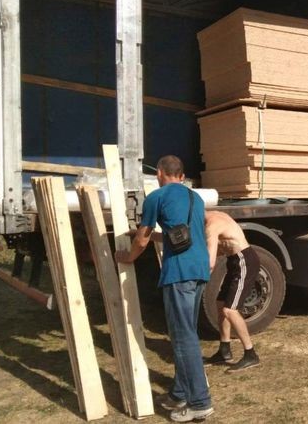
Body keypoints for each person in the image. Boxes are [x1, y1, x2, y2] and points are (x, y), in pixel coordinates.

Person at [115, 155, 213, 423]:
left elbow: (143, 239)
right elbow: (179, 233)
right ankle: (180, 393)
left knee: (182, 338)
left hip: (178, 273)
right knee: (188, 333)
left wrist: (128, 256)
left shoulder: (156, 197)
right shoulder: (196, 198)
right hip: (200, 270)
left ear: (159, 173)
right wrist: (145, 236)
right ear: (181, 175)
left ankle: (200, 402)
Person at [204, 210, 261, 373]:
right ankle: (224, 351)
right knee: (221, 304)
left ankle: (250, 354)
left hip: (244, 262)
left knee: (230, 310)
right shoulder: (214, 215)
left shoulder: (212, 225)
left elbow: (210, 262)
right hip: (234, 261)